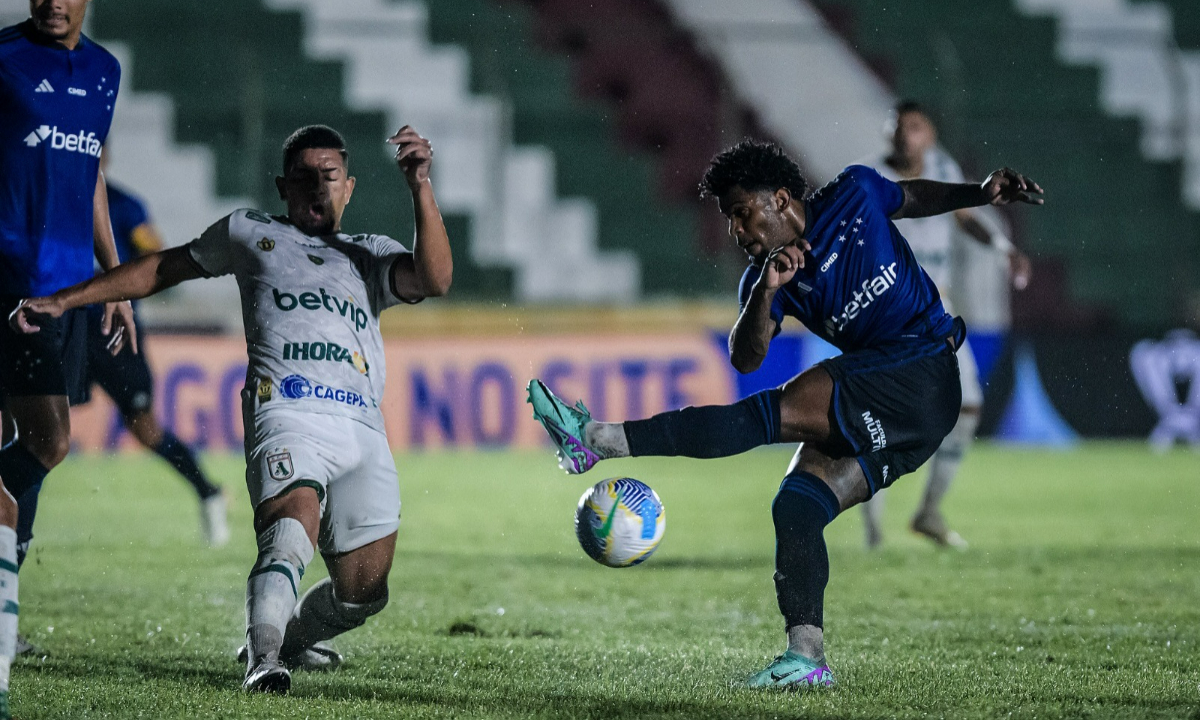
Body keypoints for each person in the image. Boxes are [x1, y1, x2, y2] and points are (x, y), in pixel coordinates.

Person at [527, 140, 1042, 689]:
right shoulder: (767, 279)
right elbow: (745, 356)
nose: (736, 230)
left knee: (765, 416)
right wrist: (768, 294)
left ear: (779, 200)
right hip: (907, 415)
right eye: (729, 219)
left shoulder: (856, 192)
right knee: (797, 506)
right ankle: (806, 658)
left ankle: (599, 440)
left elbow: (910, 196)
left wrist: (980, 193)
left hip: (920, 369)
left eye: (742, 213)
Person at [12, 124, 453, 694]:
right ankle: (263, 661)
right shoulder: (250, 233)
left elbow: (435, 279)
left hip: (362, 424)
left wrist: (420, 185)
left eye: (330, 176)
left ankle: (286, 642)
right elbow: (164, 267)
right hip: (286, 409)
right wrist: (70, 297)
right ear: (281, 186)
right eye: (303, 177)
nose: (317, 187)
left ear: (350, 188)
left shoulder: (371, 253)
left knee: (364, 591)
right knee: (289, 531)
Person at [0, 1, 133, 712]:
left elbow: (93, 179)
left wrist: (113, 281)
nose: (52, 1)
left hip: (59, 290)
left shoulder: (106, 71)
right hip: (3, 280)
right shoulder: (3, 56)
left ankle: (4, 601)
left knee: (43, 443)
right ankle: (4, 616)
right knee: (33, 441)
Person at [858, 100, 1032, 549]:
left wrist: (1002, 246)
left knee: (968, 410)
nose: (903, 133)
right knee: (877, 418)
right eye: (897, 125)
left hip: (937, 315)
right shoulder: (870, 179)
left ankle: (929, 511)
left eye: (914, 126)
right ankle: (874, 529)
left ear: (929, 136)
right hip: (889, 316)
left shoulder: (940, 167)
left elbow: (965, 217)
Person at [81, 151, 229, 546]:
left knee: (145, 428)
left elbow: (155, 257)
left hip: (114, 332)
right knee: (39, 422)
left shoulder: (126, 206)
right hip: (63, 327)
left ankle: (207, 491)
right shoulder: (53, 196)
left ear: (106, 156)